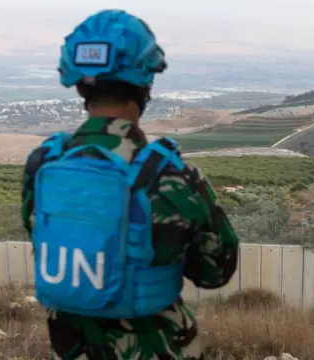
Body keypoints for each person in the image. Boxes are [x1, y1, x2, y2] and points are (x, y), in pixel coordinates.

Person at [20, 9, 240, 360]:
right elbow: (215, 273)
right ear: (146, 84)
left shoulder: (43, 165)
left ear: (79, 83)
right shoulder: (175, 177)